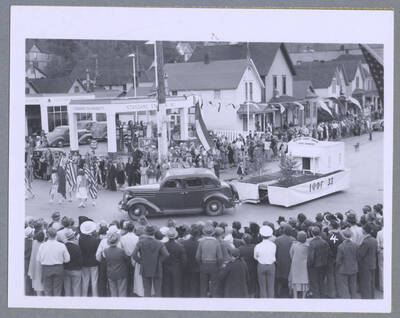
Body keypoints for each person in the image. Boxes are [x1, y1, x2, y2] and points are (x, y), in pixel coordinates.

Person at [132, 225, 169, 297]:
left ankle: (148, 306)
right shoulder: (159, 243)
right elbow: (166, 255)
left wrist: (140, 261)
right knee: (158, 291)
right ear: (154, 232)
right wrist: (159, 261)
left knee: (147, 290)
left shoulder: (141, 242)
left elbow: (134, 255)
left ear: (145, 232)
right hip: (157, 268)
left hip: (145, 267)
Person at [37, 227, 70, 296]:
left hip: (46, 268)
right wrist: (60, 260)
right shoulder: (62, 245)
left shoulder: (42, 246)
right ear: (56, 235)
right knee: (57, 290)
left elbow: (39, 259)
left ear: (47, 235)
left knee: (47, 289)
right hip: (58, 268)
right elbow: (67, 259)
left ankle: (49, 305)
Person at [195, 224, 223, 297]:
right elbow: (220, 257)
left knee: (203, 286)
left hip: (204, 265)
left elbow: (197, 256)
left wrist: (200, 264)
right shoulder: (216, 242)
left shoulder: (201, 242)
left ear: (204, 233)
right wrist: (219, 265)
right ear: (212, 233)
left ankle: (203, 301)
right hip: (214, 265)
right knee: (214, 286)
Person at [162, 228, 187, 297]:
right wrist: (182, 269)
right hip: (177, 268)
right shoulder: (180, 246)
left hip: (166, 268)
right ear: (175, 236)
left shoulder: (163, 245)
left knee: (166, 286)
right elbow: (184, 260)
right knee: (176, 286)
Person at [102, 232, 129, 297]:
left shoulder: (105, 251)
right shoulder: (121, 251)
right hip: (121, 273)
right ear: (117, 241)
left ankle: (114, 305)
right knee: (122, 291)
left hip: (110, 273)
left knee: (113, 291)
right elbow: (127, 259)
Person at [79, 221, 100, 297]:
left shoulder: (80, 240)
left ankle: (84, 296)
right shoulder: (96, 240)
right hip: (94, 262)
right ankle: (95, 296)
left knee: (85, 281)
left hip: (84, 263)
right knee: (94, 281)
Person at [254, 225, 276, 298]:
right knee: (271, 285)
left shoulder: (258, 246)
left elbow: (255, 257)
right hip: (271, 266)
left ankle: (263, 302)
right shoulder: (273, 245)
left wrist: (261, 259)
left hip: (261, 266)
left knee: (262, 286)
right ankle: (271, 301)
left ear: (261, 235)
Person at [336, 228, 358, 299]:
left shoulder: (341, 246)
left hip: (344, 268)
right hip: (354, 267)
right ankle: (353, 299)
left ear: (343, 236)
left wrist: (337, 267)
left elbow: (338, 260)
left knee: (344, 287)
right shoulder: (355, 245)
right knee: (353, 285)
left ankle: (346, 301)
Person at [357, 223, 378, 299]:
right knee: (371, 282)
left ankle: (366, 298)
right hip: (372, 263)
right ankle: (372, 297)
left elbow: (361, 254)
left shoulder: (365, 242)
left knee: (365, 283)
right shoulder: (374, 240)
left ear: (365, 231)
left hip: (365, 265)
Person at [307, 226, 329, 298]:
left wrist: (310, 265)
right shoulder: (324, 242)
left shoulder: (312, 243)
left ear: (312, 233)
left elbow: (311, 256)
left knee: (315, 283)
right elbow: (327, 253)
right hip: (323, 265)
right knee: (321, 282)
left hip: (315, 266)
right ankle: (322, 296)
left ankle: (317, 297)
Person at [274, 224, 295, 298]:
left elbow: (275, 252)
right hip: (289, 262)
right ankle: (290, 292)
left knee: (279, 278)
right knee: (289, 277)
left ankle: (279, 292)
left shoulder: (277, 239)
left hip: (279, 262)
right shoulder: (293, 240)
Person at [120, 221, 139, 296]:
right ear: (134, 228)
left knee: (127, 276)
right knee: (135, 276)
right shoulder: (137, 238)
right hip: (134, 258)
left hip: (126, 258)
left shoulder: (123, 238)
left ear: (127, 229)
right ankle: (134, 291)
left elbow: (121, 249)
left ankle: (127, 292)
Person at [288, 231, 309, 298]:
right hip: (304, 264)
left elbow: (291, 254)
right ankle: (303, 296)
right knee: (304, 280)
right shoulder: (308, 246)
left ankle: (295, 296)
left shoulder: (294, 245)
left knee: (295, 280)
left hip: (295, 264)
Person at [182, 225, 201, 297]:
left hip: (187, 266)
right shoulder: (199, 244)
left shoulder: (184, 243)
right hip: (196, 267)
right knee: (195, 283)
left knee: (187, 283)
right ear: (197, 235)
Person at [63, 229, 83, 296]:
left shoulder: (63, 246)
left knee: (67, 289)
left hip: (66, 269)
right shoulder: (77, 247)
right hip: (76, 270)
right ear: (73, 236)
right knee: (76, 289)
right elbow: (80, 261)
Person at [28, 230, 45, 295]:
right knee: (41, 281)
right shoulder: (43, 245)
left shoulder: (34, 243)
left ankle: (38, 295)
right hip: (41, 265)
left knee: (36, 282)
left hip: (34, 265)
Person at [377, 221, 384, 292]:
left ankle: (382, 286)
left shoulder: (380, 232)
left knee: (381, 269)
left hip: (382, 250)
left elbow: (378, 244)